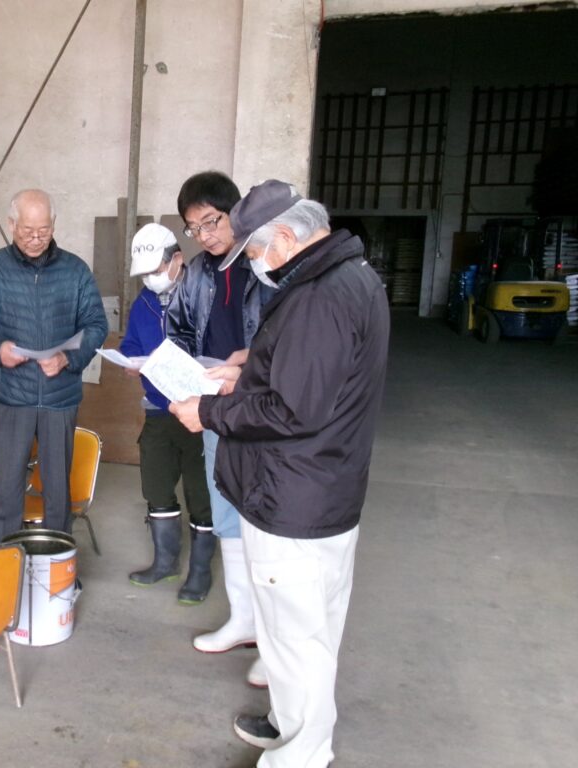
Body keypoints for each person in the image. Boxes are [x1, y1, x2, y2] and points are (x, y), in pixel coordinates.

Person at [170, 179, 390, 768]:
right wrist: (251, 368)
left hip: (295, 496)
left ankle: (302, 754)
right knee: (308, 629)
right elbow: (312, 376)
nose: (256, 264)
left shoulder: (319, 297)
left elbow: (293, 410)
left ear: (287, 237)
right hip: (324, 486)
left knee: (297, 638)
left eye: (258, 251)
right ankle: (291, 724)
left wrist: (208, 411)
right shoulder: (350, 277)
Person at [168, 172, 274, 679]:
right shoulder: (195, 272)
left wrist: (248, 363)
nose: (205, 235)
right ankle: (243, 621)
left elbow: (287, 338)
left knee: (266, 515)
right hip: (213, 403)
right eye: (194, 228)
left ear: (236, 213)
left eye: (211, 222)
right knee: (225, 507)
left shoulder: (266, 264)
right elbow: (178, 328)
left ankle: (274, 644)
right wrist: (181, 371)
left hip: (260, 404)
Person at [0, 189, 107, 545]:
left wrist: (68, 358)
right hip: (11, 395)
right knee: (7, 488)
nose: (36, 239)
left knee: (58, 490)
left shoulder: (75, 271)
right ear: (11, 224)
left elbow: (96, 325)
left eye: (44, 230)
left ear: (53, 224)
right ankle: (6, 561)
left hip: (60, 397)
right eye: (28, 230)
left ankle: (57, 563)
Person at [120, 223, 213, 604]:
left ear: (177, 259)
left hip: (200, 410)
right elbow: (131, 344)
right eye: (144, 273)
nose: (150, 279)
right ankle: (165, 562)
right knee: (156, 487)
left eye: (156, 270)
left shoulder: (204, 294)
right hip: (159, 408)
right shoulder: (143, 303)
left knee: (201, 492)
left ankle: (200, 572)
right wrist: (130, 361)